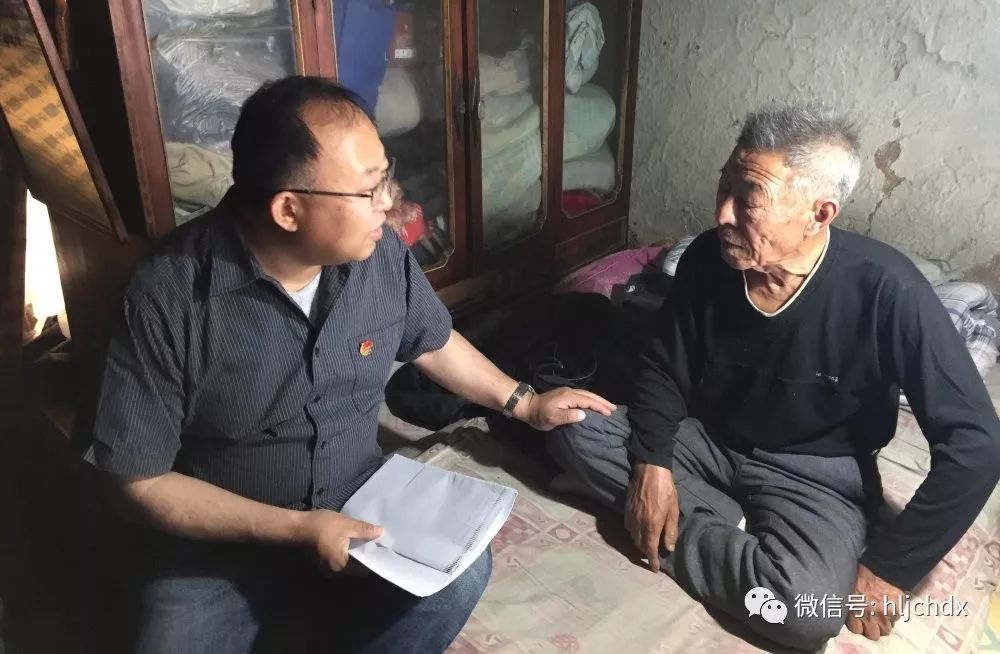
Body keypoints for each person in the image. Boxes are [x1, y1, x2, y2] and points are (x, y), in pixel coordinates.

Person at [85, 76, 615, 654]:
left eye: (385, 178)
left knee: (456, 577)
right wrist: (297, 529)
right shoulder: (167, 295)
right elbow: (136, 483)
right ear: (289, 209)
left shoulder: (377, 255)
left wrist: (526, 403)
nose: (390, 203)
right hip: (224, 539)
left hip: (355, 499)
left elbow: (432, 341)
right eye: (368, 190)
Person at [548, 103, 1000, 650]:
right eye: (724, 186)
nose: (722, 214)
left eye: (748, 199)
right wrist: (652, 463)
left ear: (819, 214)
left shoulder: (888, 291)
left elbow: (977, 445)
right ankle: (719, 521)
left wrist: (892, 567)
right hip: (710, 437)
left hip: (817, 470)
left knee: (804, 612)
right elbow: (665, 367)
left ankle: (678, 521)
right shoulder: (706, 261)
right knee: (569, 425)